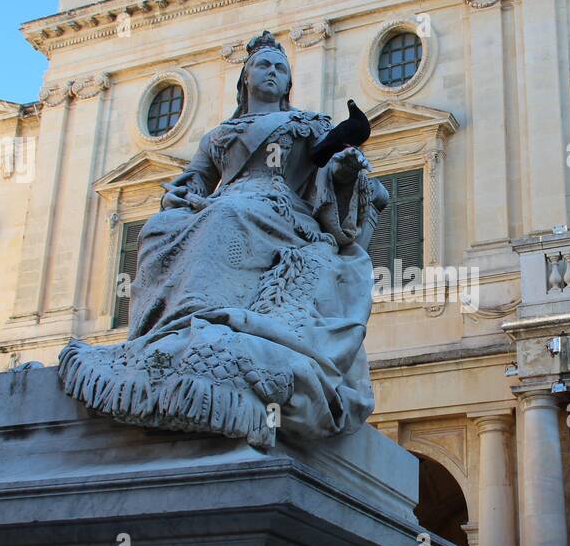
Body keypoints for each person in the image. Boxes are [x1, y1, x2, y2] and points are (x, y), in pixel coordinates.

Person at [59, 31, 388, 447]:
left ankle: (205, 319)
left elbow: (329, 181)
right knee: (160, 229)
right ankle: (171, 328)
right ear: (245, 78)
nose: (272, 72)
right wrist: (174, 195)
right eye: (263, 66)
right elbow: (195, 181)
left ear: (289, 83)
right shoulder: (217, 136)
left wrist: (343, 172)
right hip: (225, 205)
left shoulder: (308, 125)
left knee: (229, 213)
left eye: (280, 68)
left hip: (281, 212)